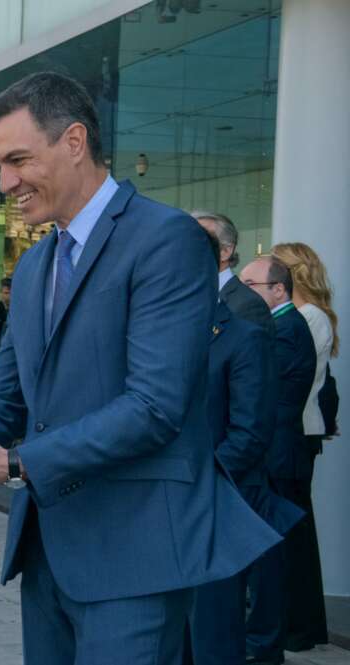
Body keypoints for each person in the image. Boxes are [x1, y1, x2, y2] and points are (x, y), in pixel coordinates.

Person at [0, 71, 279, 664]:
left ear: (74, 141)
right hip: (48, 551)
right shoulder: (42, 256)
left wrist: (18, 463)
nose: (6, 182)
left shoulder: (166, 239)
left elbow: (154, 407)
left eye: (18, 159)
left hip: (134, 553)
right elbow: (5, 402)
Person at [187, 234, 304, 665]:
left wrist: (204, 479)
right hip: (175, 503)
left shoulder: (244, 332)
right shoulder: (171, 333)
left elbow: (251, 431)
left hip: (218, 495)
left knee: (214, 627)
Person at [239, 255, 318, 662]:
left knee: (270, 557)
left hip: (275, 459)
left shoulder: (285, 329)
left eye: (249, 284)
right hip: (273, 456)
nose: (241, 290)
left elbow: (266, 398)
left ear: (278, 289)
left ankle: (267, 644)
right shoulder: (279, 326)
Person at [270, 242, 337, 652]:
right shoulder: (310, 317)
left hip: (295, 434)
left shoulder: (308, 318)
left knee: (294, 535)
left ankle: (301, 627)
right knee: (295, 532)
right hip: (299, 432)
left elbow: (292, 379)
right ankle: (300, 626)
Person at [193, 210, 274, 334]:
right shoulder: (183, 295)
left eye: (201, 240)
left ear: (225, 252)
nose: (189, 247)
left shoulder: (248, 305)